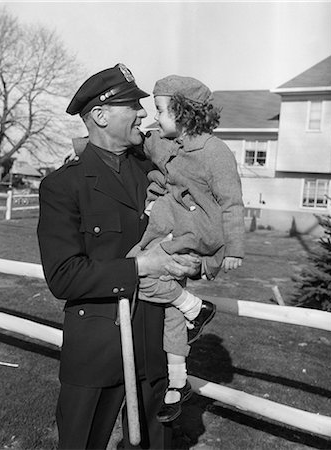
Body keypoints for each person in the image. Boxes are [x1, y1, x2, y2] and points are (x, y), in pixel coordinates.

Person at [37, 64, 202, 450]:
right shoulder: (63, 185)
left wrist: (190, 258)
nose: (144, 114)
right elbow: (64, 277)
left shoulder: (153, 171)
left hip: (153, 343)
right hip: (96, 347)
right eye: (134, 106)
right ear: (100, 115)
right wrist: (142, 266)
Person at [126, 75, 245, 423]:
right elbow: (140, 140)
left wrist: (233, 249)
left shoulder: (215, 152)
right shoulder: (166, 141)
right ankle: (178, 383)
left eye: (161, 111)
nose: (155, 119)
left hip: (193, 230)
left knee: (135, 269)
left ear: (183, 112)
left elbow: (232, 203)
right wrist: (81, 145)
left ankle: (196, 307)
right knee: (172, 309)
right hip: (176, 226)